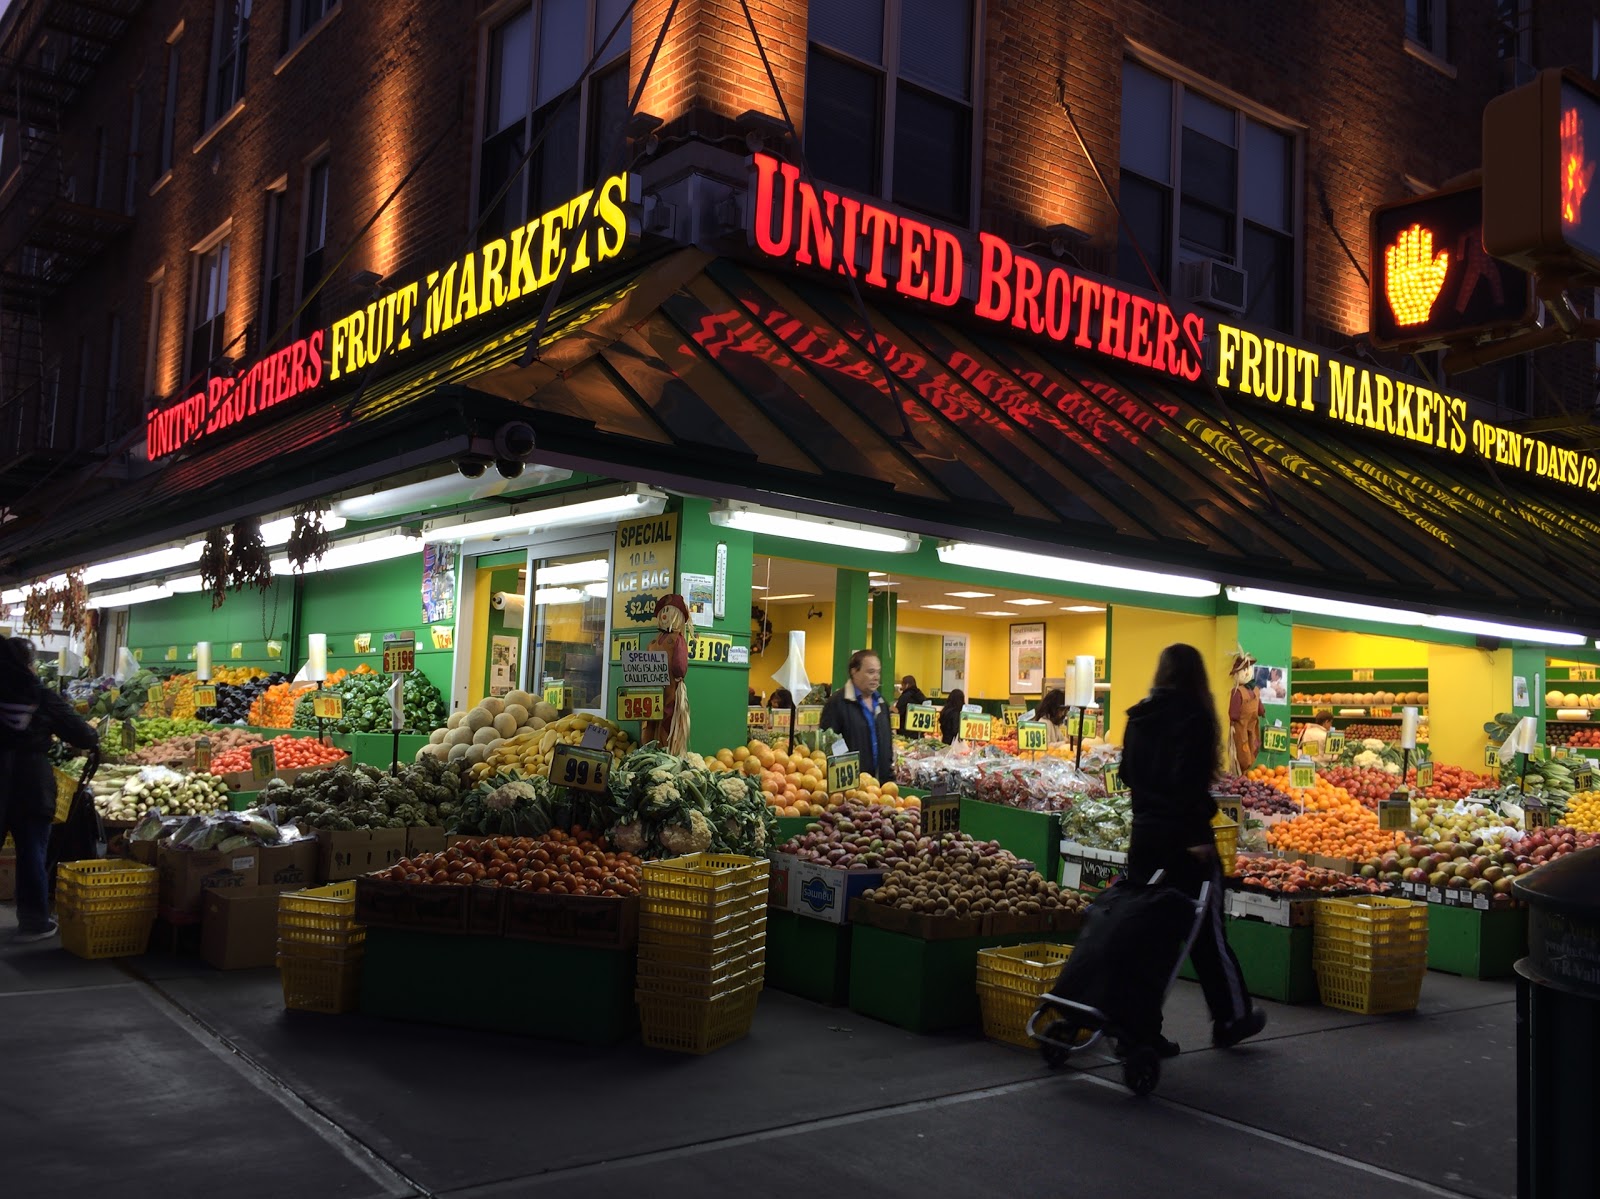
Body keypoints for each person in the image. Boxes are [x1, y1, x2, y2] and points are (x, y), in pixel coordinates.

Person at [1121, 643, 1266, 1055]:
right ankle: (1232, 1016)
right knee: (1206, 932)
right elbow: (1190, 782)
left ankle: (1140, 1026)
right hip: (1187, 843)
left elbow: (1127, 774)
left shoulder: (1139, 716)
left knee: (1149, 936)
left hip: (1144, 840)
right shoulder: (1195, 717)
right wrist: (1197, 834)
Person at [1, 636, 100, 943]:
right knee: (31, 848)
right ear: (27, 664)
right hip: (30, 781)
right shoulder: (40, 694)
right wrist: (92, 736)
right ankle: (33, 922)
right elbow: (82, 734)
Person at [820, 650, 894, 783]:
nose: (876, 677)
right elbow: (829, 745)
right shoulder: (838, 703)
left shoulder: (882, 704)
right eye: (871, 672)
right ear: (854, 672)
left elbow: (888, 746)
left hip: (881, 789)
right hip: (851, 788)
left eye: (878, 672)